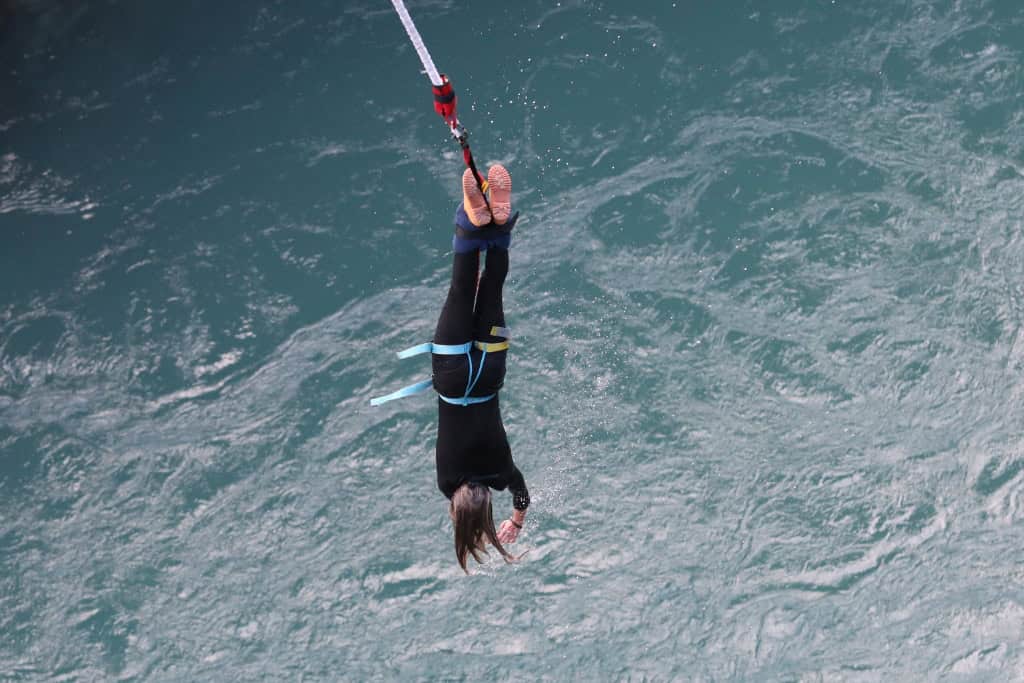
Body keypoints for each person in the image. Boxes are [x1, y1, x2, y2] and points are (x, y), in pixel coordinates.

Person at [432, 163, 530, 572]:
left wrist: (517, 520)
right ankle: (470, 218)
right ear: (456, 510)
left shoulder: (500, 472)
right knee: (462, 288)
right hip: (453, 378)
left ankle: (500, 229)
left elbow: (521, 493)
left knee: (492, 287)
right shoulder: (447, 482)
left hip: (489, 374)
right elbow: (462, 502)